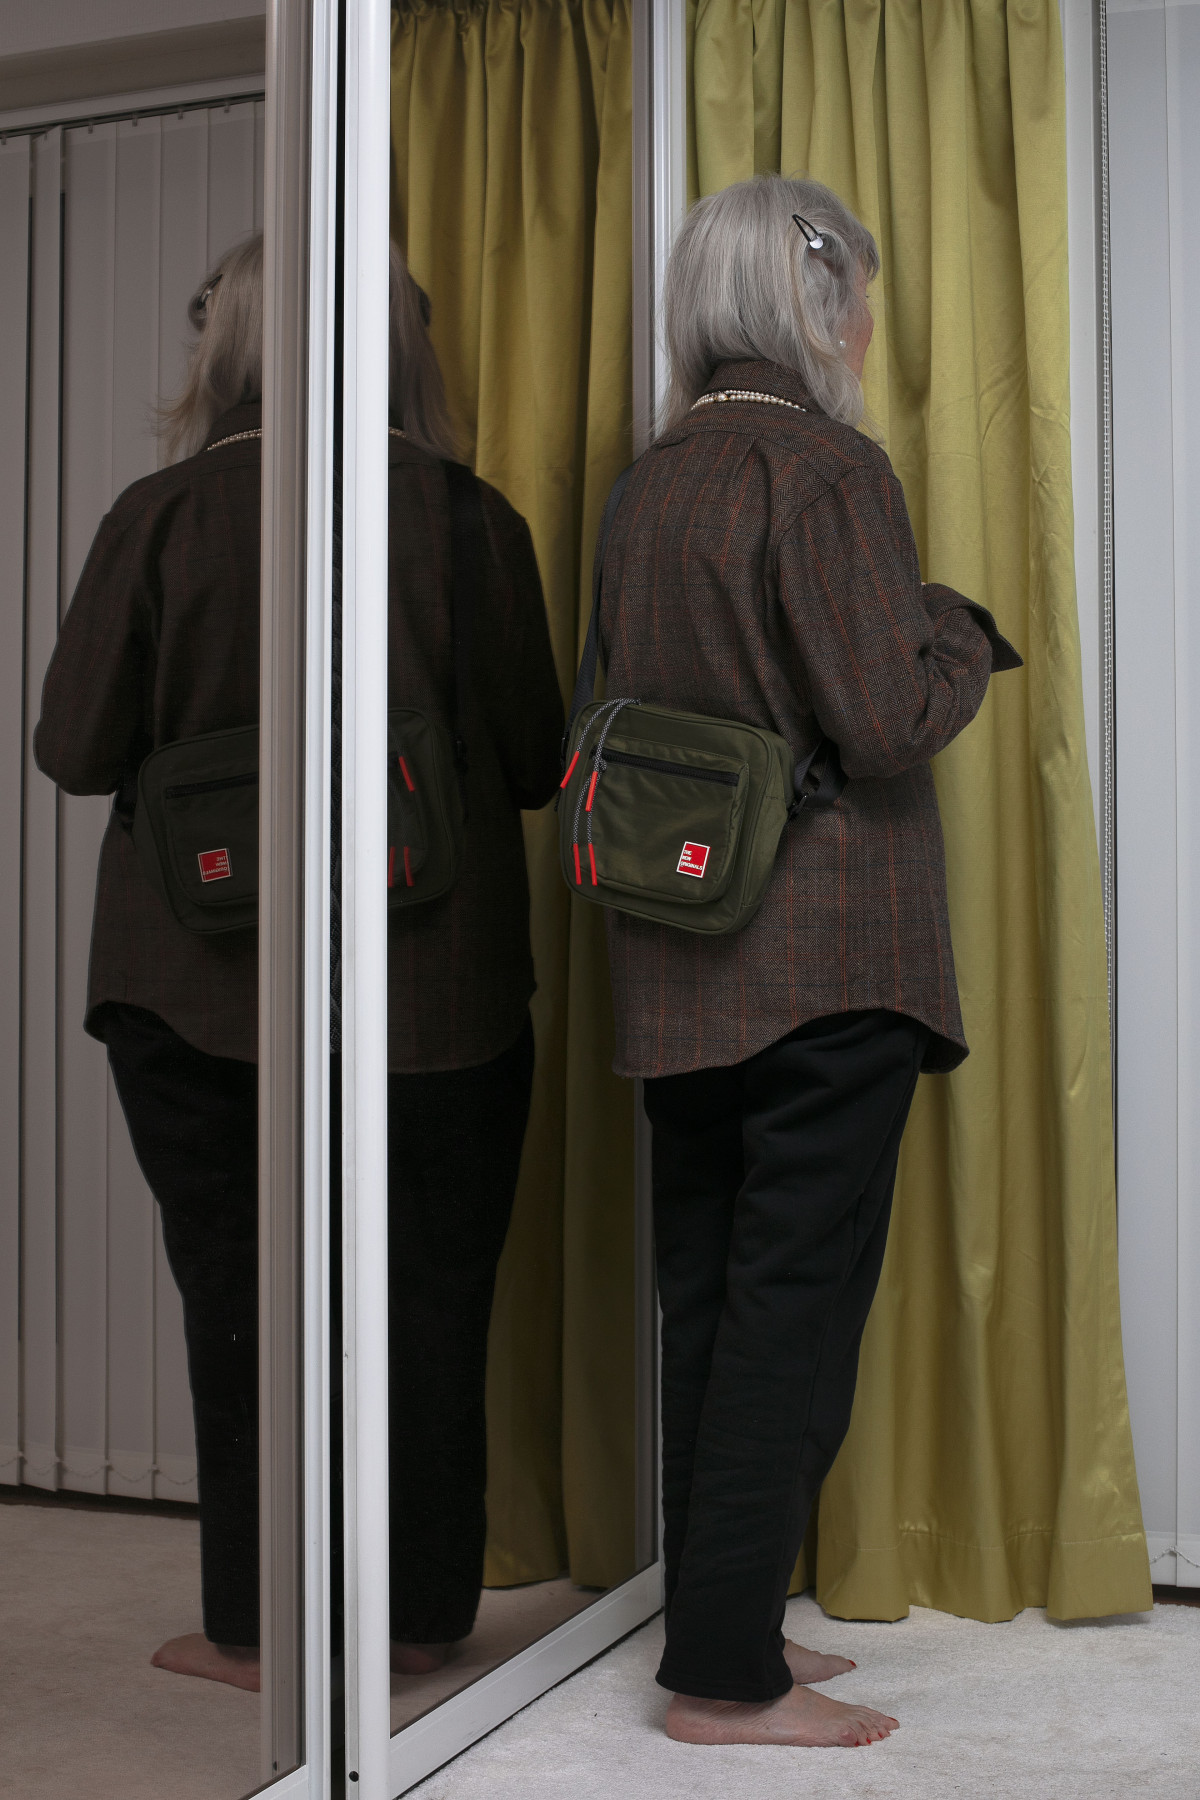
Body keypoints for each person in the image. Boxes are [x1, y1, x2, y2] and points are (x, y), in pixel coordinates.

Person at [34, 234, 563, 1689]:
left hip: (193, 985)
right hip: (437, 998)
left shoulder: (158, 517)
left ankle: (261, 1634)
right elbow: (536, 763)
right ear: (405, 345)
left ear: (226, 345)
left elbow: (73, 748)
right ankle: (416, 1623)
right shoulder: (472, 522)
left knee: (238, 1304)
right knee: (433, 1305)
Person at [594, 174, 1021, 1747]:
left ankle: (724, 1628)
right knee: (794, 1312)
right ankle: (725, 1683)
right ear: (819, 302)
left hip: (678, 958)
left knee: (713, 1306)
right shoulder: (827, 469)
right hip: (829, 962)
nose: (869, 321)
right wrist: (955, 626)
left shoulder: (646, 485)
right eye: (860, 293)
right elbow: (886, 715)